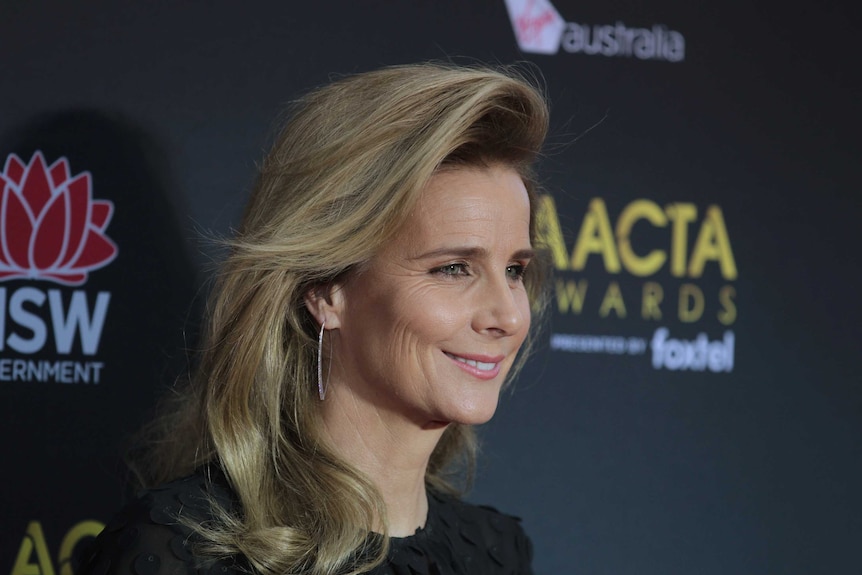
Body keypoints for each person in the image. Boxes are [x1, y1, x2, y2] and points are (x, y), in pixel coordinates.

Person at [77, 62, 549, 575]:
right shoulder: (187, 550)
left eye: (514, 269)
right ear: (325, 289)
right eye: (454, 268)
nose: (507, 315)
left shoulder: (497, 551)